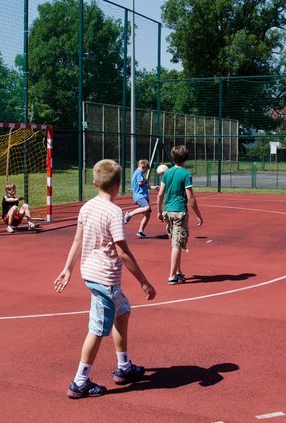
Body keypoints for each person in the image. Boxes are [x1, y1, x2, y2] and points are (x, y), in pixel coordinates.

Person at [53, 159, 157, 399]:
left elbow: (77, 240)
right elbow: (123, 252)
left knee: (123, 311)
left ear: (94, 182)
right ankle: (80, 382)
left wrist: (68, 268)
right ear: (118, 184)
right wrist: (143, 280)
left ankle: (124, 367)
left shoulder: (87, 207)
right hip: (105, 278)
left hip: (90, 273)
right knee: (98, 329)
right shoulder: (113, 212)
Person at [156, 145, 203, 285]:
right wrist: (199, 215)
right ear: (186, 158)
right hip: (179, 212)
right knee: (176, 244)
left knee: (177, 242)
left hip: (167, 211)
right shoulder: (186, 174)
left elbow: (160, 194)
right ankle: (171, 276)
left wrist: (159, 211)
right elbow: (191, 198)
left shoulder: (167, 173)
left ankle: (178, 272)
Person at [124, 159, 159, 238]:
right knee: (147, 208)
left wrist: (154, 187)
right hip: (140, 196)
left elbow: (144, 185)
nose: (146, 171)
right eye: (146, 169)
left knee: (147, 215)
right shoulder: (139, 173)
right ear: (143, 167)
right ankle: (129, 215)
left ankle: (141, 231)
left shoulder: (138, 174)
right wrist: (145, 180)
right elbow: (140, 183)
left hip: (143, 195)